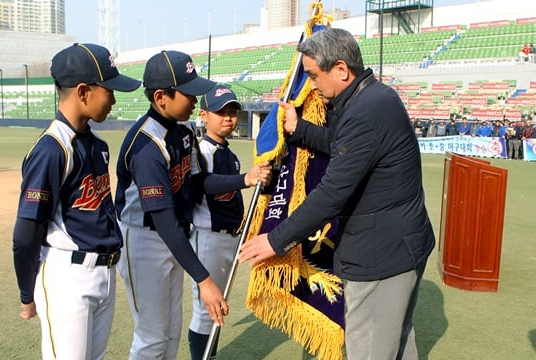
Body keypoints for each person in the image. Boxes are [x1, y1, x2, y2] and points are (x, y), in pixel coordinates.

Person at [238, 28, 435, 360]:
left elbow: (332, 193)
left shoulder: (367, 110)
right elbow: (343, 146)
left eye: (314, 75)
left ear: (341, 70)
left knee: (371, 351)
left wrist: (274, 239)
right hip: (398, 247)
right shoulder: (372, 98)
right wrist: (299, 129)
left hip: (381, 256)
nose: (312, 85)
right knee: (396, 346)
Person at [115, 50, 271, 359]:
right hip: (144, 239)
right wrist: (204, 278)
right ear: (161, 97)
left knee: (170, 331)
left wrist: (245, 180)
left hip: (172, 234)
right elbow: (161, 217)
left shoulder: (184, 130)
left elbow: (198, 183)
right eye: (188, 93)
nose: (195, 99)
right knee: (151, 336)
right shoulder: (147, 144)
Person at [12, 43, 141, 359]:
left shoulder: (96, 145)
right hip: (68, 278)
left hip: (103, 274)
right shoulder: (52, 149)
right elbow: (26, 232)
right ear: (83, 92)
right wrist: (27, 293)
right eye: (108, 90)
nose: (113, 99)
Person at [188, 84, 244, 360]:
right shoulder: (200, 151)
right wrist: (246, 179)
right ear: (203, 115)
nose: (228, 118)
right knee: (205, 309)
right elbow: (203, 185)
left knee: (218, 308)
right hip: (207, 236)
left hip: (230, 238)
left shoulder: (230, 155)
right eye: (220, 112)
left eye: (232, 112)